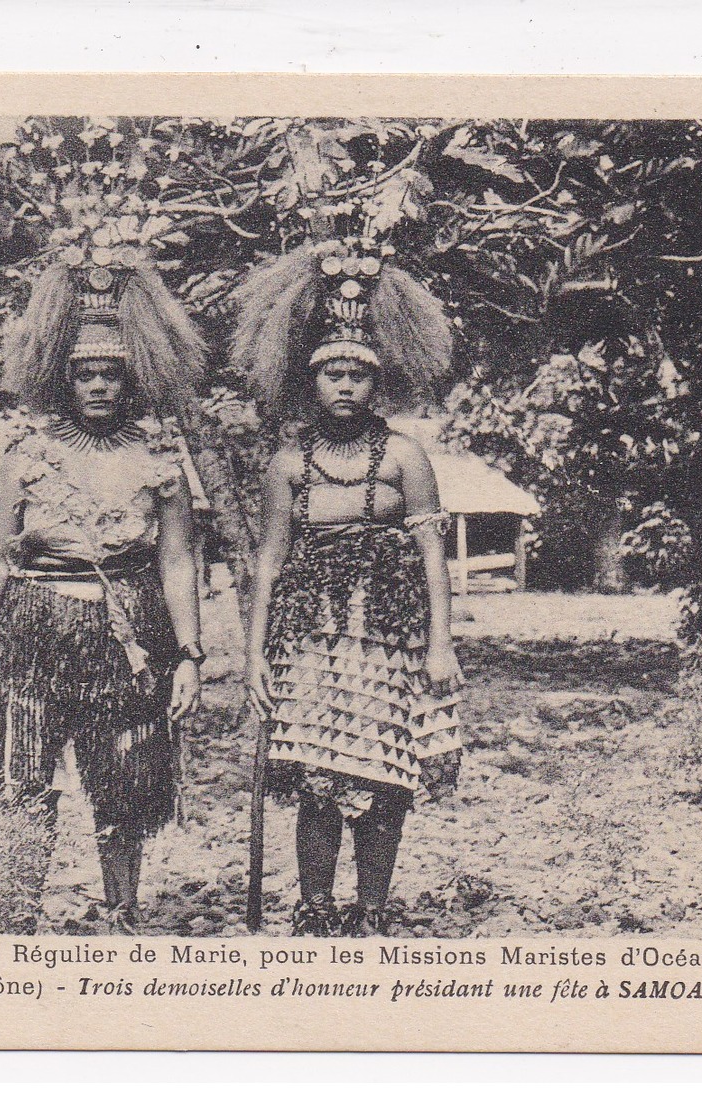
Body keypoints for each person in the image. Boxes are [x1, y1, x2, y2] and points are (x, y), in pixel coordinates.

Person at [0, 258, 205, 932]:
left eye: (111, 374)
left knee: (124, 787)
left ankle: (122, 912)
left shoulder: (158, 455)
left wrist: (188, 653)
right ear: (63, 379)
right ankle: (13, 916)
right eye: (85, 374)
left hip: (129, 635)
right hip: (31, 630)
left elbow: (177, 559)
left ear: (130, 380)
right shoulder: (25, 453)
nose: (98, 386)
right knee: (22, 782)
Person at [234, 232, 464, 938]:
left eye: (356, 375)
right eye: (330, 373)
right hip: (309, 638)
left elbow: (431, 553)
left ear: (376, 383)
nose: (343, 385)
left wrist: (439, 647)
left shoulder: (402, 455)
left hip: (388, 635)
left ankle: (369, 906)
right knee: (316, 774)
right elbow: (269, 561)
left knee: (386, 771)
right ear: (310, 381)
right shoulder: (287, 463)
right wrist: (253, 656)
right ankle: (313, 906)